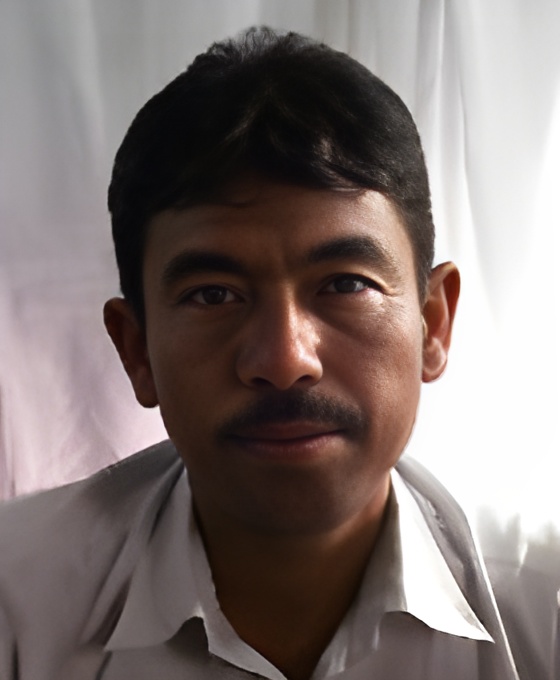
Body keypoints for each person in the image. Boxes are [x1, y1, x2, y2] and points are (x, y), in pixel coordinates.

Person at [0, 26, 553, 680]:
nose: (286, 360)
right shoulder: (18, 602)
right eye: (213, 295)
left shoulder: (541, 605)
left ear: (433, 324)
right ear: (136, 349)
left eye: (345, 284)